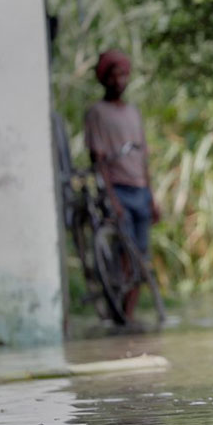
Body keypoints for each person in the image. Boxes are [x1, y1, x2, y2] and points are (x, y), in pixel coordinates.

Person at [84, 50, 160, 322]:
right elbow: (98, 159)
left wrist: (152, 197)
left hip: (140, 190)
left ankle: (128, 315)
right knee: (124, 257)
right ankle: (119, 315)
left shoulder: (133, 112)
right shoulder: (97, 113)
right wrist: (112, 198)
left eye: (123, 75)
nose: (119, 80)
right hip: (117, 190)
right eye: (114, 75)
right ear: (105, 79)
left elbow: (143, 158)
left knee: (141, 257)